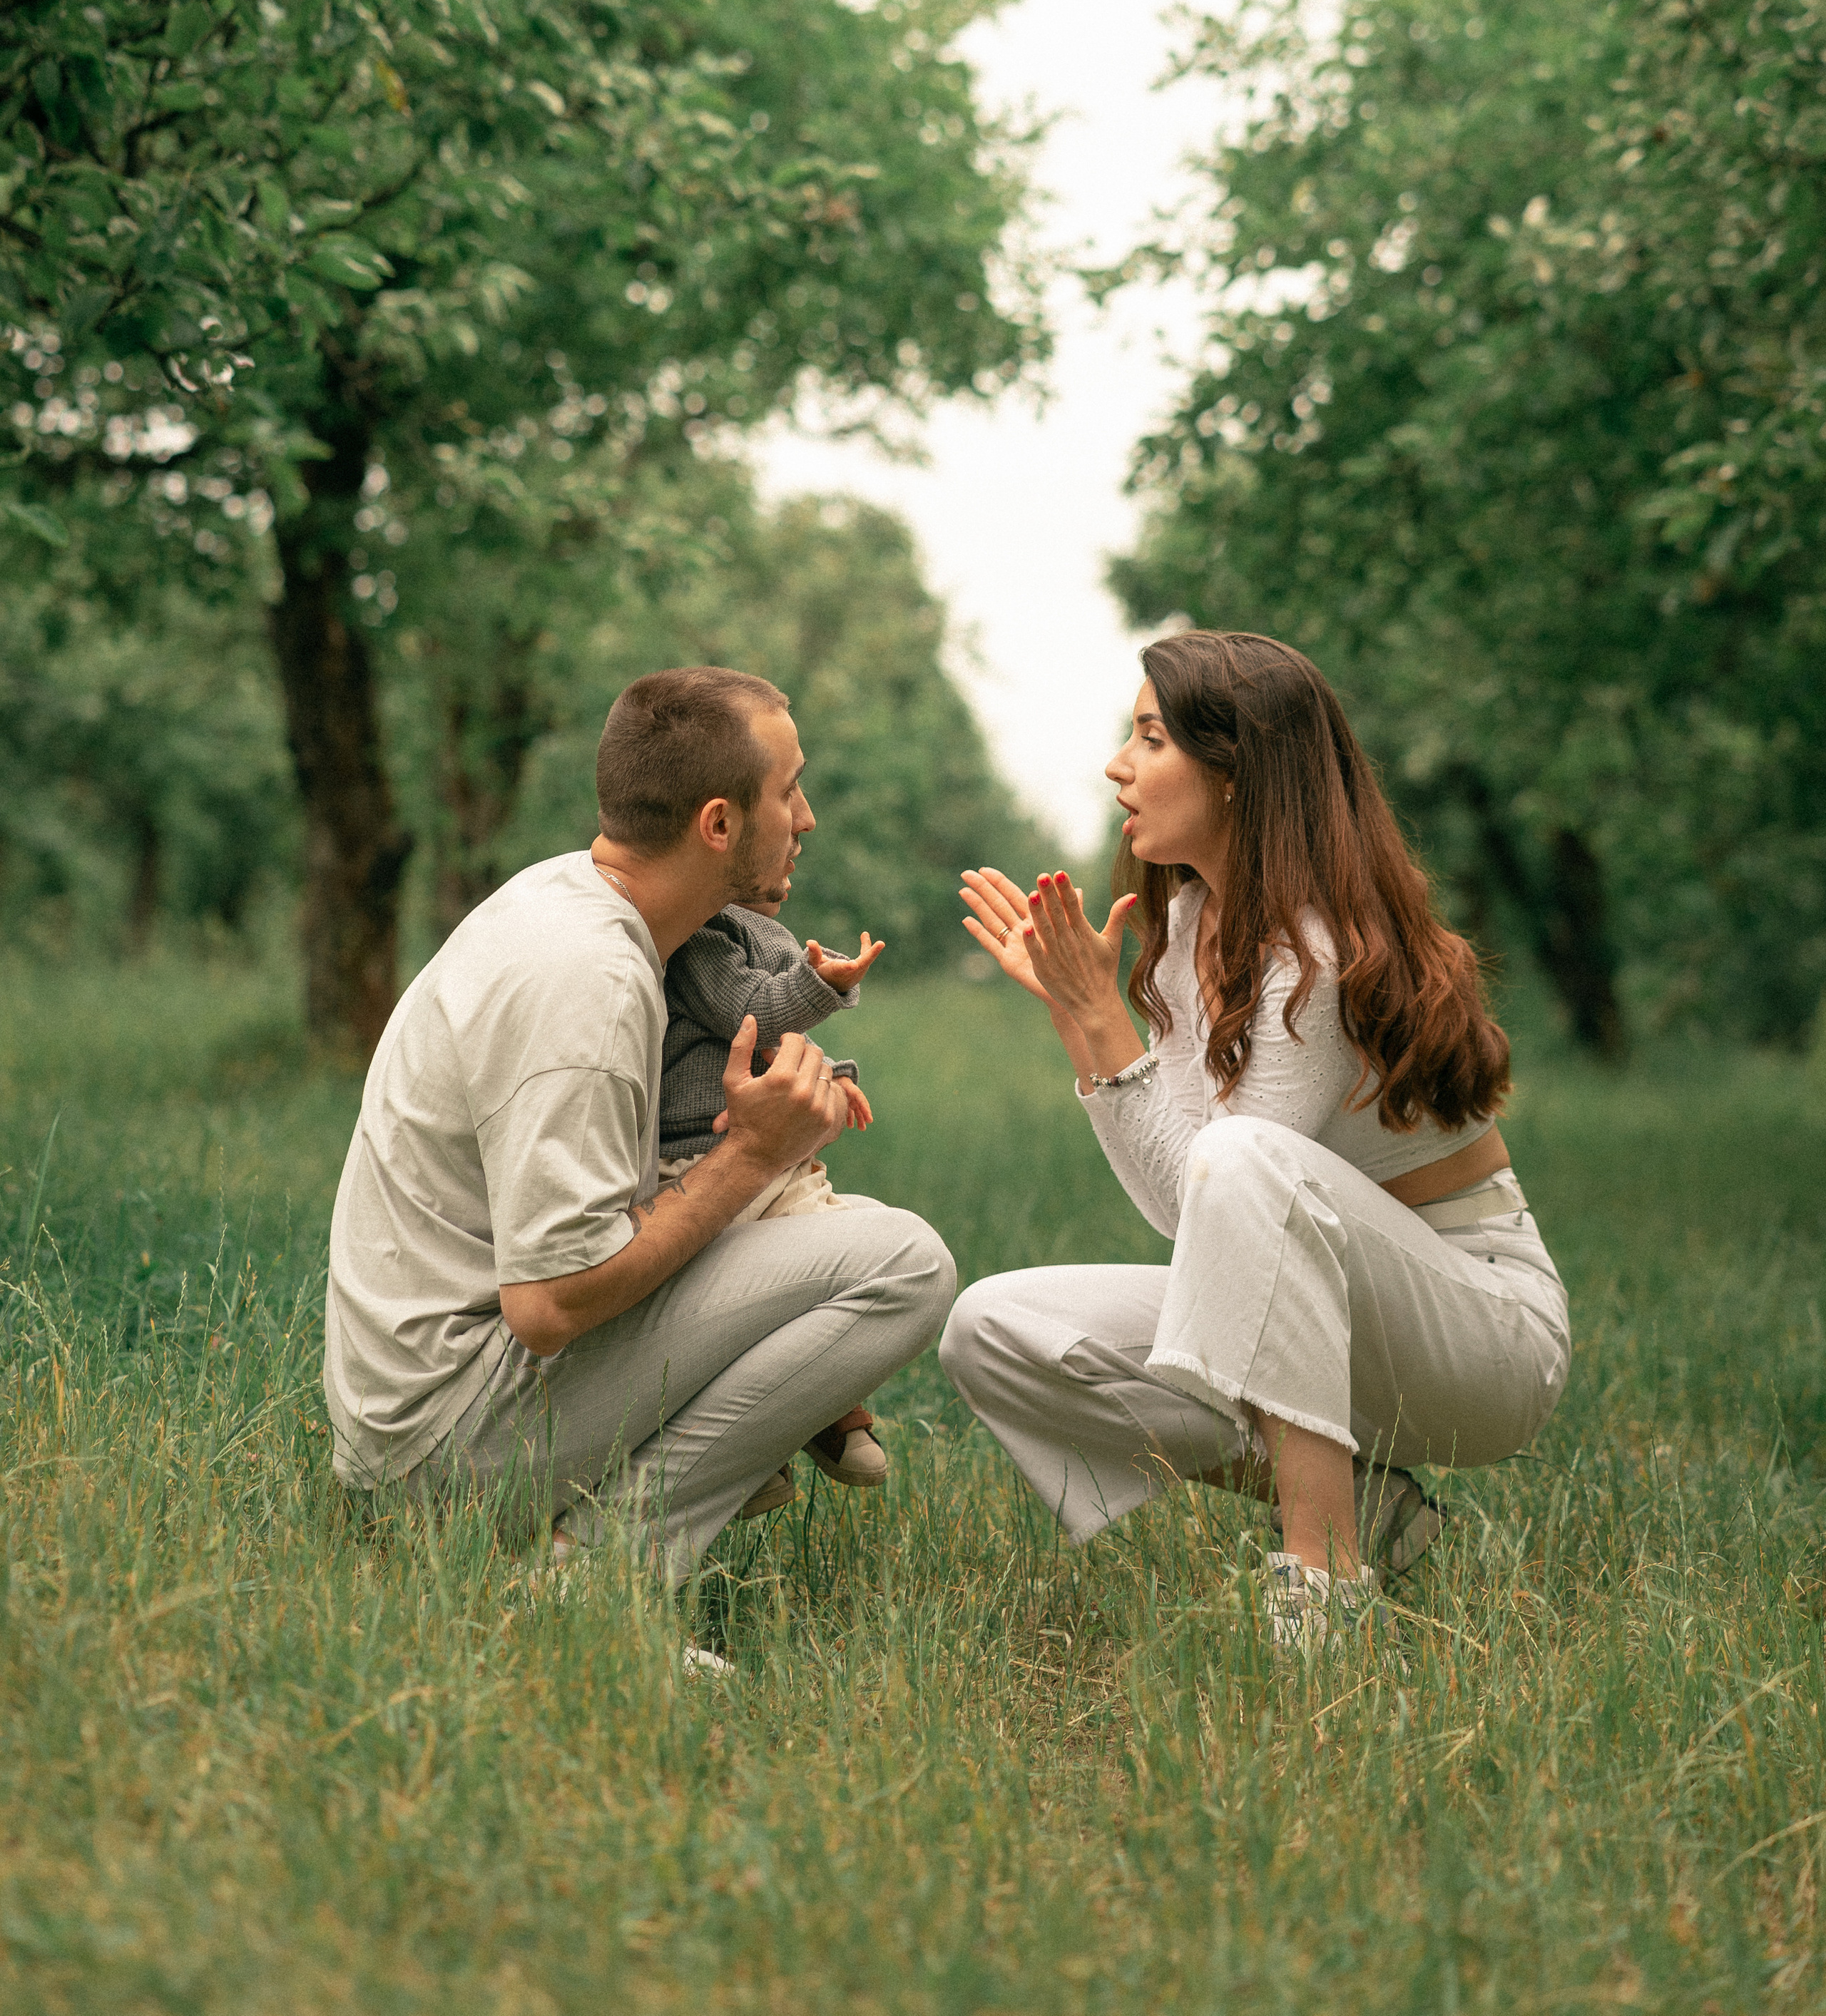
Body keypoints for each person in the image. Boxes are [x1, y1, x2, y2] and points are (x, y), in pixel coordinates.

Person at [939, 630, 1571, 1649]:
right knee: (995, 1329)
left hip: (1479, 1335)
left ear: (1237, 772)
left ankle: (1322, 1586)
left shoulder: (1316, 950)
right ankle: (1376, 1508)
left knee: (1241, 1161)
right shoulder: (1194, 927)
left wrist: (1102, 1021)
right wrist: (1082, 1014)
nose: (1119, 767)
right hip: (1336, 1319)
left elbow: (1225, 1183)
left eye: (1150, 739)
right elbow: (1196, 1216)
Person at [323, 664, 954, 1593]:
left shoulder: (574, 905)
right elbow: (550, 1305)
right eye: (790, 789)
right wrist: (752, 1155)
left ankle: (586, 1566)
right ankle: (588, 1587)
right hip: (436, 1449)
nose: (808, 817)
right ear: (719, 823)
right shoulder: (585, 979)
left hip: (441, 1407)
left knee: (832, 1237)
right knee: (901, 1263)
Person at [658, 896, 892, 1509]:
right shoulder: (700, 934)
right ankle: (755, 1437)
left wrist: (831, 1073)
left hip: (766, 1151)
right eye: (787, 803)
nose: (800, 831)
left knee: (826, 1233)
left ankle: (809, 1407)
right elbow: (750, 1014)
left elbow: (779, 1044)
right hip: (699, 1154)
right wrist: (820, 983)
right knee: (763, 1279)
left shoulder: (758, 928)